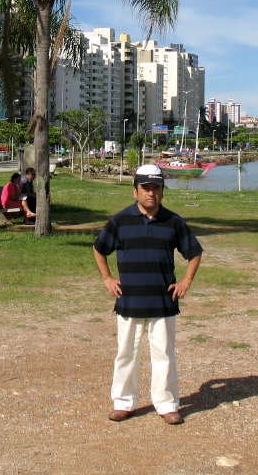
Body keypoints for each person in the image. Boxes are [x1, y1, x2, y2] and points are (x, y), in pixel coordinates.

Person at [92, 164, 203, 425]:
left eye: (156, 188)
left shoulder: (173, 222)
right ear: (135, 191)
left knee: (164, 354)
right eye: (146, 188)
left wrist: (186, 280)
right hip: (129, 301)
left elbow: (194, 252)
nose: (151, 193)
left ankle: (166, 404)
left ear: (162, 192)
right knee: (126, 354)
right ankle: (123, 402)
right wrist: (107, 278)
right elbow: (99, 248)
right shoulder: (120, 221)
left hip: (163, 302)